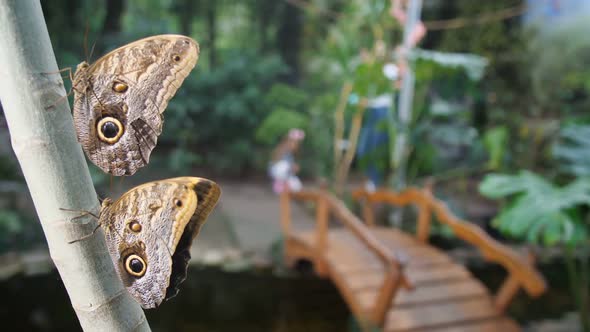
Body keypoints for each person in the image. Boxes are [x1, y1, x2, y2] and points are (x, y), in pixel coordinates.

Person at [268, 128, 305, 193]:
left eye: (297, 143)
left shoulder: (292, 154)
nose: (296, 145)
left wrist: (294, 168)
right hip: (279, 175)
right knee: (284, 165)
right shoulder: (282, 151)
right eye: (294, 142)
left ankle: (286, 186)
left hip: (288, 176)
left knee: (297, 185)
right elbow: (278, 168)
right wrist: (291, 167)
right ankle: (281, 184)